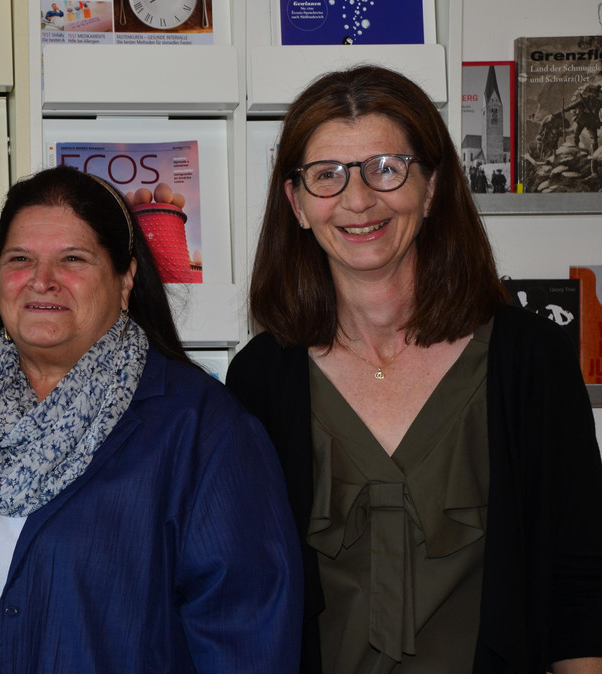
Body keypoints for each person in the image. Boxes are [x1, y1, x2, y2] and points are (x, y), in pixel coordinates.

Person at [226, 64, 602, 673]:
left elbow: (580, 582)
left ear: (431, 189)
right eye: (327, 175)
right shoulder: (261, 380)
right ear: (297, 204)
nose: (358, 200)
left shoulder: (530, 359)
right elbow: (245, 598)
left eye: (386, 167)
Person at [0, 165, 303, 673]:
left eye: (73, 259)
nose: (41, 280)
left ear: (125, 280)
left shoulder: (205, 433)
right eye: (20, 259)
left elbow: (247, 642)